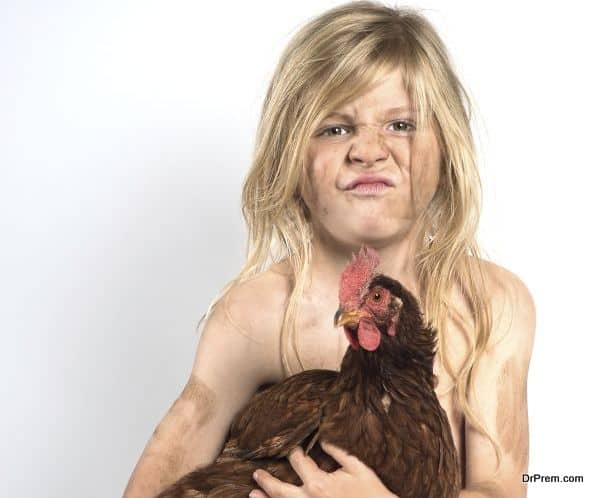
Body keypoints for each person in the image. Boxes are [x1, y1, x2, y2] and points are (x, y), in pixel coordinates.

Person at [123, 2, 535, 497]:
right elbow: (155, 485)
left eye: (400, 125)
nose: (367, 149)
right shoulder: (256, 312)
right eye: (335, 128)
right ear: (291, 160)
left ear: (447, 152)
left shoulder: (488, 305)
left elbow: (500, 490)